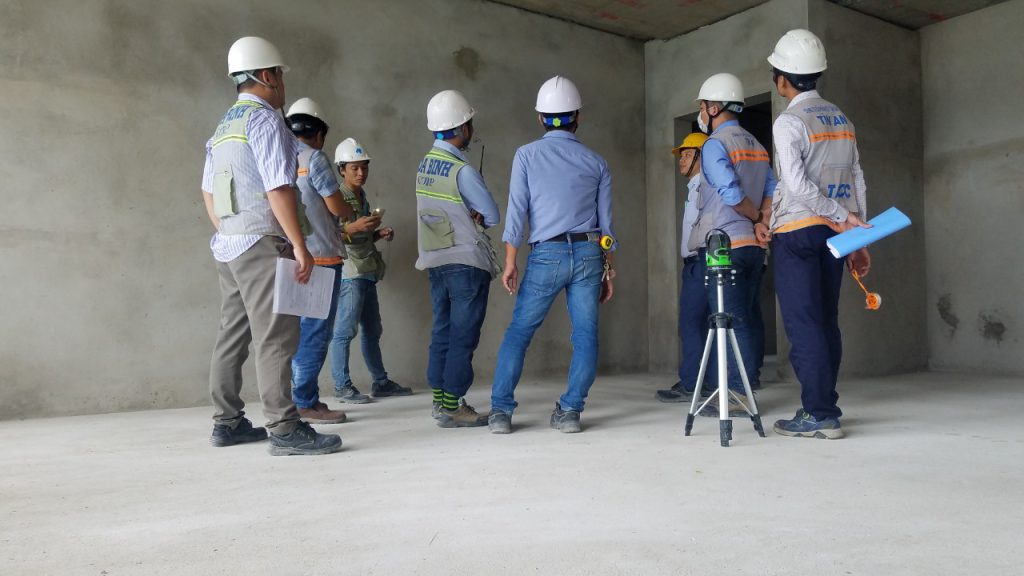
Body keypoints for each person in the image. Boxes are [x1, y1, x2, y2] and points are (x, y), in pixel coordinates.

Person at [201, 37, 341, 456]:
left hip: (229, 243)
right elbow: (279, 187)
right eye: (279, 74)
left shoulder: (223, 127)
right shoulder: (263, 120)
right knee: (277, 335)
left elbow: (208, 192)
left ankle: (227, 422)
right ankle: (284, 427)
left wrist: (229, 230)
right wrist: (299, 244)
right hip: (261, 240)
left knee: (232, 333)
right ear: (267, 75)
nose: (282, 82)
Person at [488, 76, 615, 435]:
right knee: (586, 334)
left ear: (541, 118)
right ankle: (570, 412)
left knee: (519, 332)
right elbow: (607, 226)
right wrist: (608, 268)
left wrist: (510, 261)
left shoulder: (526, 155)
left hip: (547, 253)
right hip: (589, 253)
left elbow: (517, 213)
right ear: (577, 117)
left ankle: (500, 413)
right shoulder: (597, 162)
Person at [766, 29, 870, 439]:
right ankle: (824, 405)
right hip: (835, 234)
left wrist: (838, 217)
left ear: (782, 79)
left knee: (805, 323)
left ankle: (819, 413)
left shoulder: (789, 121)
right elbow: (857, 177)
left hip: (798, 232)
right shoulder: (842, 119)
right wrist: (855, 232)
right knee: (827, 321)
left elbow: (795, 185)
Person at [690, 72, 777, 417]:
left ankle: (737, 396)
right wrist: (763, 221)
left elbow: (730, 192)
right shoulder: (756, 145)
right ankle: (746, 384)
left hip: (724, 246)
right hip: (754, 247)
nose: (700, 112)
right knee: (748, 318)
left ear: (713, 108)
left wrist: (755, 217)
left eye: (702, 106)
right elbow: (772, 189)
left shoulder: (715, 144)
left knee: (729, 321)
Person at [415, 90, 501, 428]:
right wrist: (475, 215)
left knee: (442, 331)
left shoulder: (424, 165)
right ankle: (453, 406)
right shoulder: (462, 170)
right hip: (466, 262)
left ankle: (440, 401)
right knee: (463, 336)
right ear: (463, 127)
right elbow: (491, 214)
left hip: (435, 260)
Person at [284, 97, 365, 424]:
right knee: (316, 332)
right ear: (318, 133)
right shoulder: (314, 158)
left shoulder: (281, 157)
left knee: (297, 332)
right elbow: (336, 206)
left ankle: (298, 398)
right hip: (321, 257)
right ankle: (305, 402)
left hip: (291, 256)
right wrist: (348, 212)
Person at [331, 138, 411, 401]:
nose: (360, 173)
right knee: (344, 331)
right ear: (342, 170)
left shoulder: (361, 196)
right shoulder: (337, 197)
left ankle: (380, 382)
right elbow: (327, 236)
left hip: (366, 270)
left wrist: (378, 233)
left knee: (372, 330)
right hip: (350, 272)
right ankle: (342, 386)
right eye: (354, 168)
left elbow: (360, 238)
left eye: (364, 167)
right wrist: (353, 228)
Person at [656, 132, 714, 403]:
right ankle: (704, 381)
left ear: (703, 157)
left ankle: (692, 384)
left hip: (701, 262)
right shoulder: (694, 187)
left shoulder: (705, 186)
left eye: (688, 154)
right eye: (682, 155)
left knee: (691, 323)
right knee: (702, 323)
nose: (681, 160)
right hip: (695, 263)